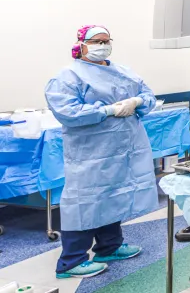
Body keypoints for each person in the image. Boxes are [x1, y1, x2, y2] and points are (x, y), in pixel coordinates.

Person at [45, 25, 158, 279]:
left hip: (122, 149)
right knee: (84, 201)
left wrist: (136, 101)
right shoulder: (68, 76)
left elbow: (147, 95)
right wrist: (107, 110)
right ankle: (71, 261)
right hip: (90, 152)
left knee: (111, 196)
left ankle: (109, 247)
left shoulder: (123, 72)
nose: (103, 45)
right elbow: (67, 112)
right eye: (97, 41)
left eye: (107, 40)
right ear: (82, 44)